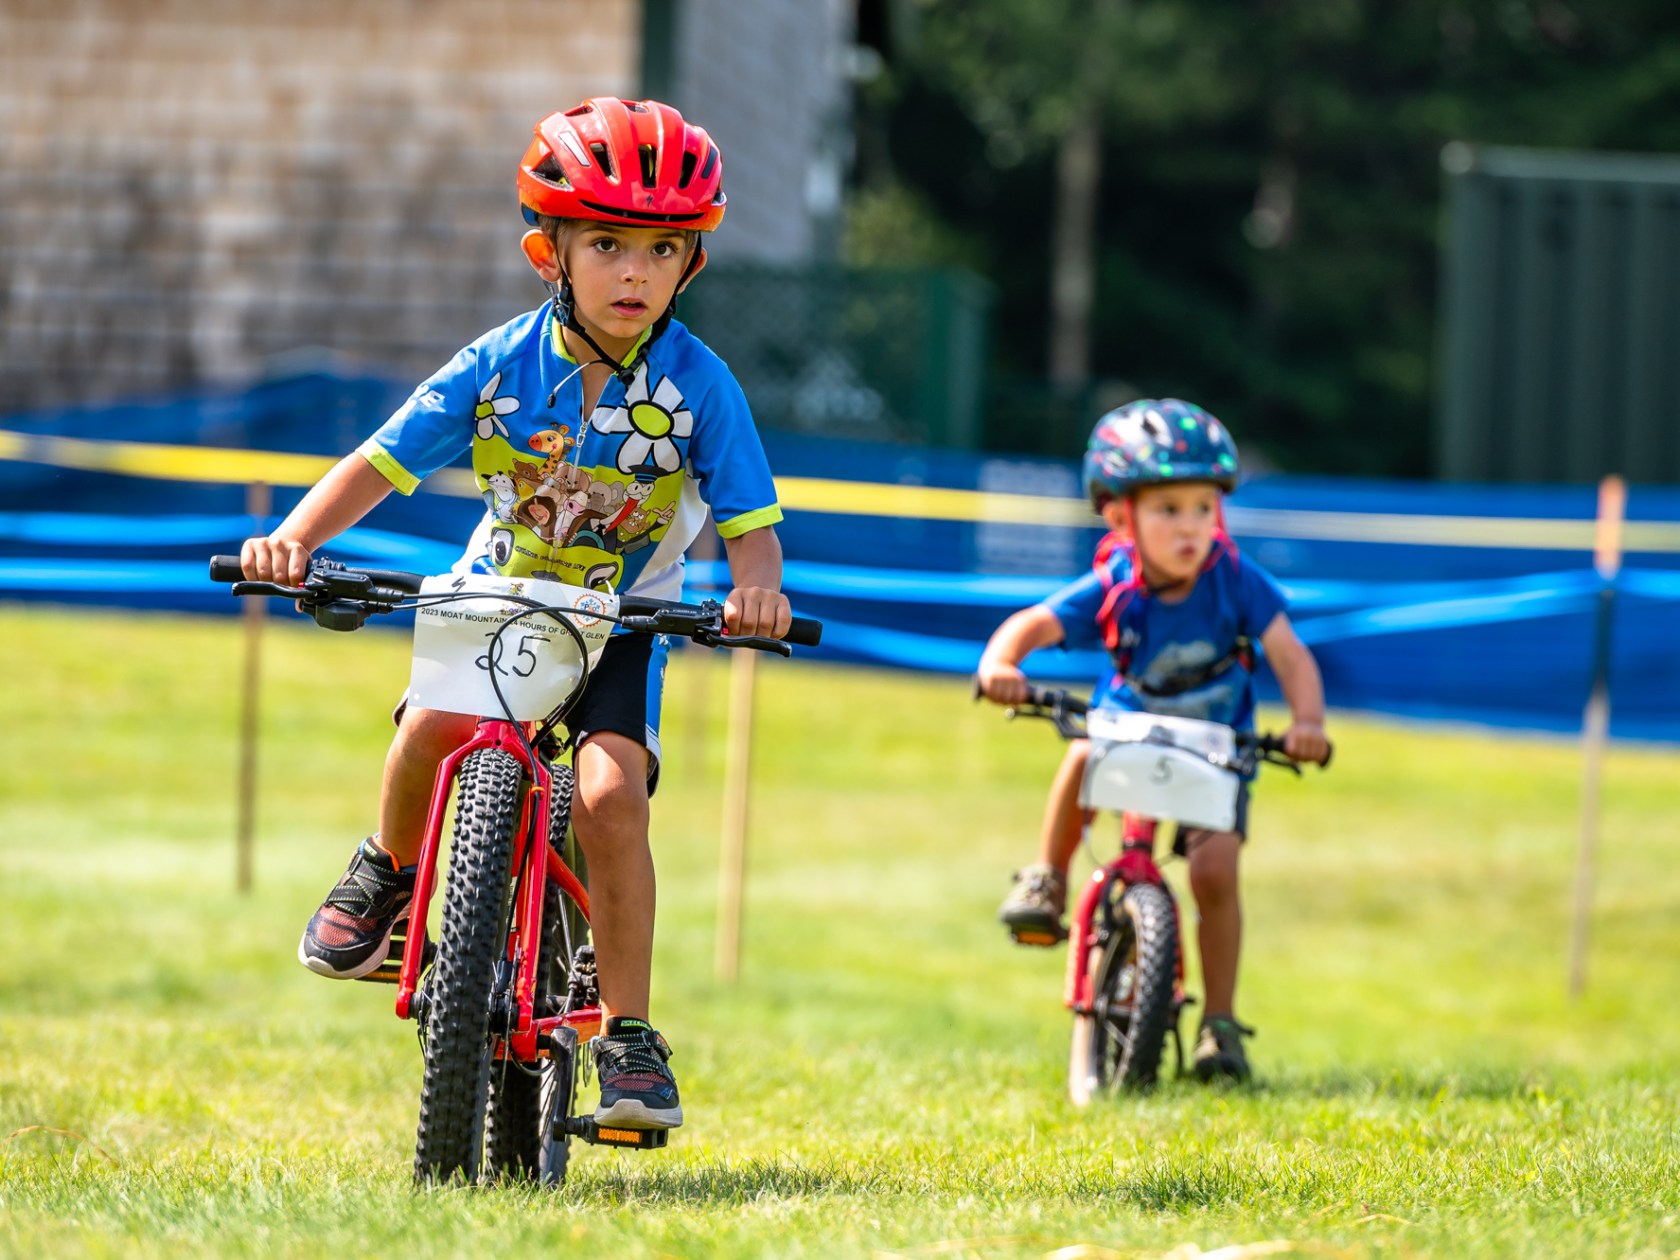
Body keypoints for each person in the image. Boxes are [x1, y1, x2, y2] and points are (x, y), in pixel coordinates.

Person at [238, 97, 792, 1131]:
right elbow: (380, 463)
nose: (635, 273)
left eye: (662, 250)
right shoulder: (497, 364)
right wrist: (297, 541)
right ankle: (389, 877)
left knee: (611, 799)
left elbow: (752, 525)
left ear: (691, 268)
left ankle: (628, 1035)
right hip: (497, 592)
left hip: (624, 618)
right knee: (427, 731)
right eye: (608, 244)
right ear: (552, 251)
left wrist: (757, 587)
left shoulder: (704, 387)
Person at [974, 398, 1329, 1082]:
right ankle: (1048, 877)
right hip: (1127, 732)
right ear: (1119, 515)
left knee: (1215, 873)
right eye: (1169, 510)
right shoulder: (1115, 583)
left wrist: (1308, 724)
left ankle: (1218, 1026)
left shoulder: (1236, 580)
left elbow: (1291, 656)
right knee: (1081, 754)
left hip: (1216, 748)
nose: (1192, 526)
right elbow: (1034, 624)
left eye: (1204, 507)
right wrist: (1000, 666)